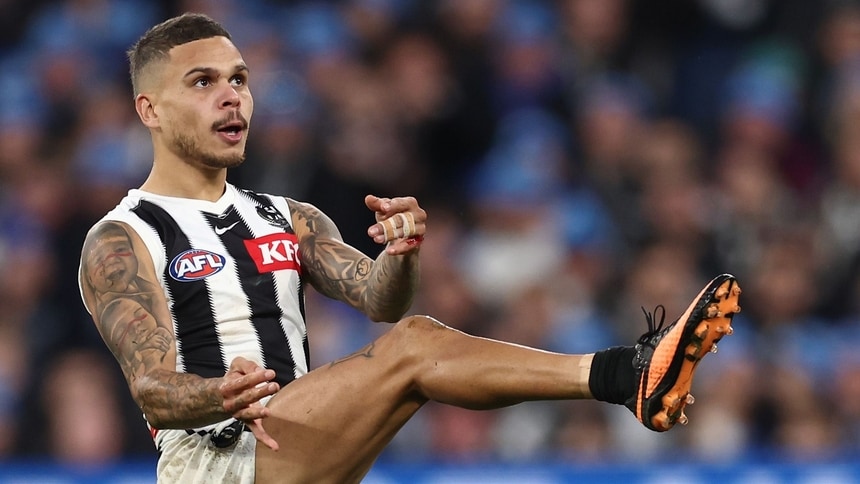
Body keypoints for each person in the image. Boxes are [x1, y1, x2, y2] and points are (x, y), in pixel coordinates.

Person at [77, 12, 743, 484]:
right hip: (216, 462)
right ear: (149, 110)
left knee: (413, 339)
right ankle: (625, 374)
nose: (232, 97)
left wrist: (400, 258)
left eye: (240, 78)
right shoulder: (122, 236)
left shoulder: (287, 215)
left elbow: (379, 302)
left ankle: (629, 376)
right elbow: (151, 387)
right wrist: (219, 393)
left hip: (291, 446)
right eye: (203, 82)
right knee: (416, 345)